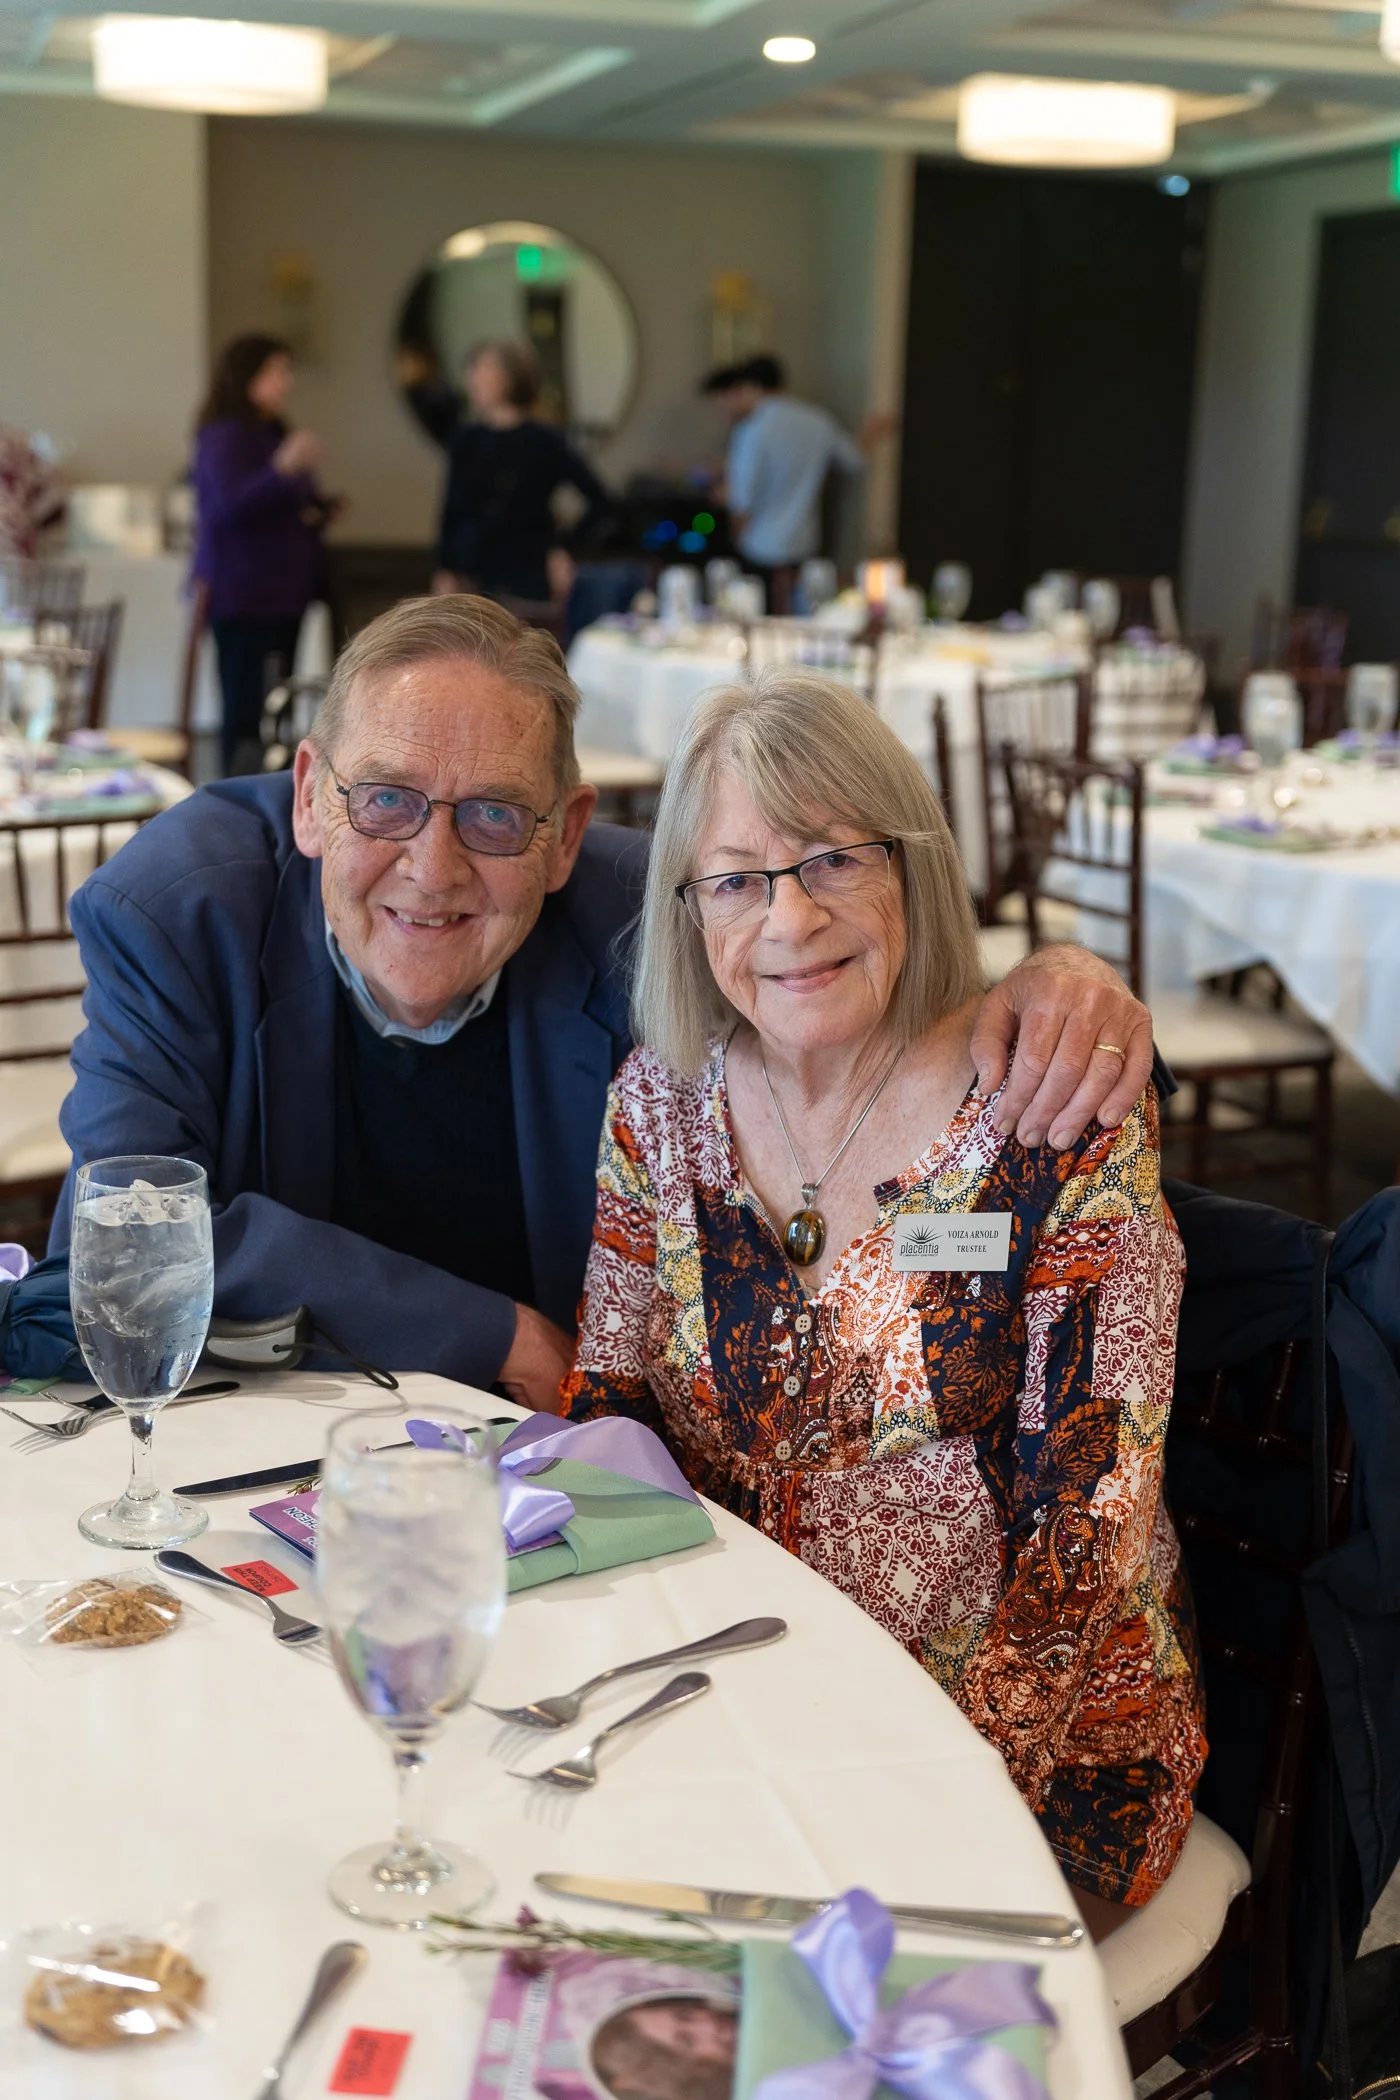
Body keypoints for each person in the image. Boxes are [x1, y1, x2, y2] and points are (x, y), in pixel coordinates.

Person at [52, 595, 1154, 1411]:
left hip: (565, 1476)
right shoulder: (177, 913)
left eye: (493, 815)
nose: (431, 868)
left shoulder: (656, 915)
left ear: (566, 836)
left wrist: (1060, 977)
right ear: (308, 797)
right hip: (257, 1429)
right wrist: (490, 1332)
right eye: (384, 800)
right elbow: (114, 1243)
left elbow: (867, 968)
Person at [562, 672, 1204, 1939]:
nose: (788, 917)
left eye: (832, 859)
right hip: (724, 1701)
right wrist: (604, 1662)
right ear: (689, 910)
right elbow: (607, 1403)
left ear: (912, 864)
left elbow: (1088, 1534)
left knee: (749, 1986)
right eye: (736, 880)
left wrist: (909, 1792)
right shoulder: (660, 1105)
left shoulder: (1048, 1110)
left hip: (1025, 1756)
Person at [192, 333, 334, 775]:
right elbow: (225, 508)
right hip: (243, 593)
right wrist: (281, 469)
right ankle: (236, 795)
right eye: (276, 371)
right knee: (244, 709)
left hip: (285, 590)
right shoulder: (224, 436)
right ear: (246, 376)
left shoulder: (274, 431)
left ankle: (275, 793)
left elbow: (290, 499)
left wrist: (318, 509)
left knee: (278, 706)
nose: (286, 381)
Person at [701, 356, 894, 608]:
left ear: (752, 387)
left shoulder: (753, 429)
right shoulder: (817, 419)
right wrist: (870, 433)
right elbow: (854, 459)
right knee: (802, 614)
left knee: (764, 617)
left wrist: (736, 532)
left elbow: (743, 497)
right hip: (805, 542)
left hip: (762, 546)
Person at [432, 340, 611, 608]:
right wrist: (445, 568)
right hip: (470, 574)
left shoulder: (544, 441)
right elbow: (451, 510)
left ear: (509, 377)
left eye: (482, 368)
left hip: (527, 573)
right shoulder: (466, 440)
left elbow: (600, 501)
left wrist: (563, 549)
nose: (473, 377)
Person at [0, 425, 65, 559]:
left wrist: (29, 517)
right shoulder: (19, 442)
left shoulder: (17, 444)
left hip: (14, 542)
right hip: (15, 540)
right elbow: (56, 492)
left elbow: (56, 492)